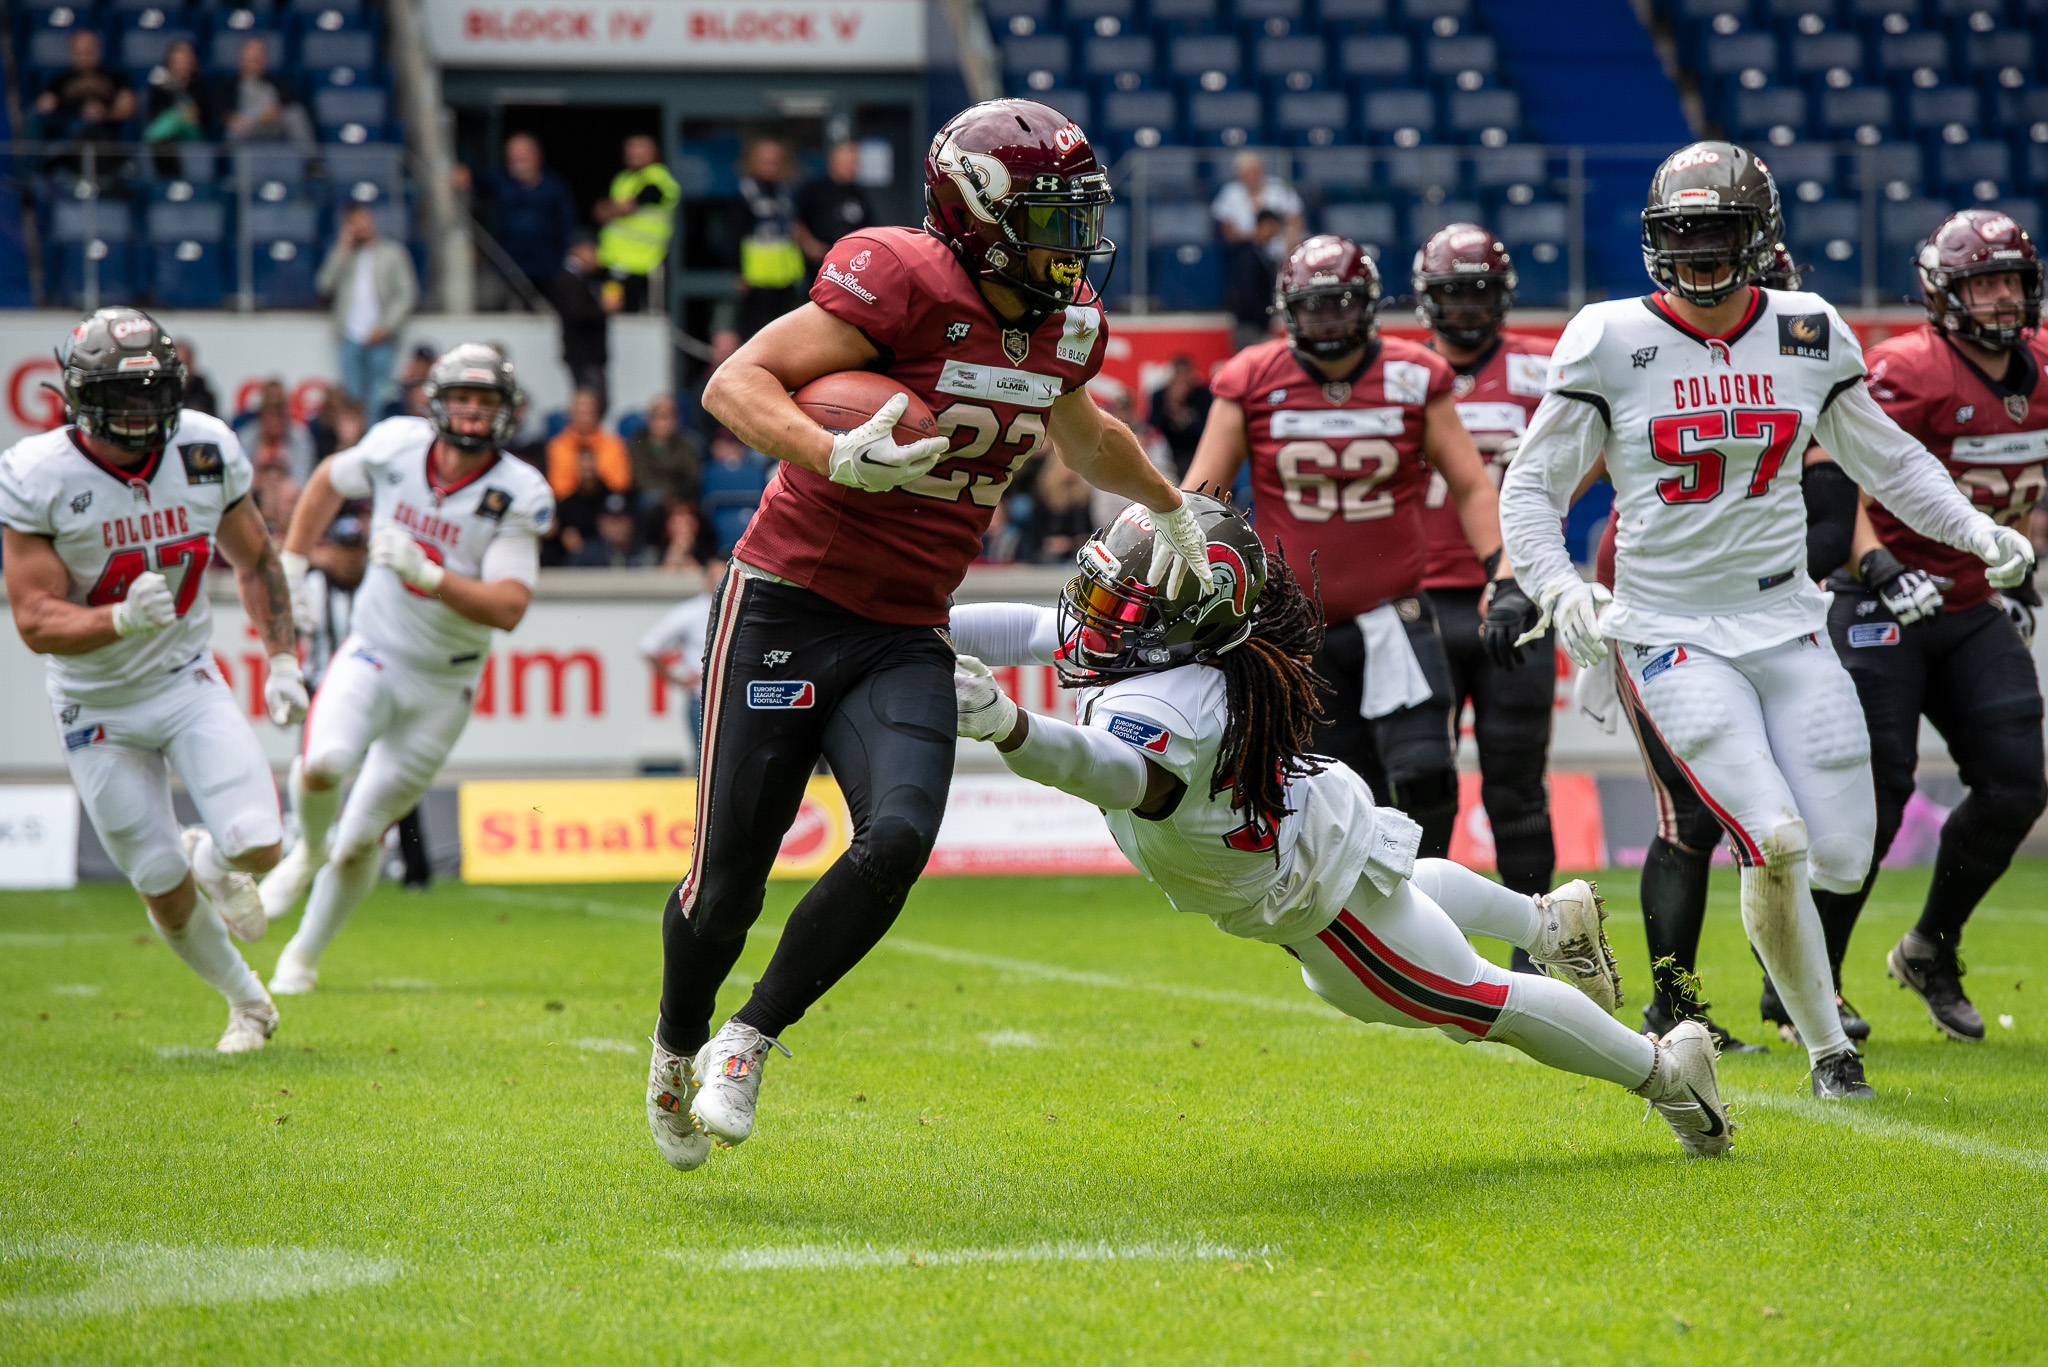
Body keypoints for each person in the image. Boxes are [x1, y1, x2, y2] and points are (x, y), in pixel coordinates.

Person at [645, 99, 1223, 1174]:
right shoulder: (900, 278)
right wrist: (832, 453)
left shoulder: (1061, 328)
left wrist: (1171, 504)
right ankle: (677, 1038)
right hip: (788, 600)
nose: (1070, 239)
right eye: (1048, 215)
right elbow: (736, 382)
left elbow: (1083, 432)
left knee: (898, 836)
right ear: (977, 214)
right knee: (726, 884)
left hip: (905, 622)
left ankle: (748, 1036)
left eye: (1073, 213)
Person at [945, 496, 1732, 1159]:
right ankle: (1545, 918)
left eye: (1121, 602)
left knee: (1476, 1000)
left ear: (1187, 618)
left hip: (1303, 884)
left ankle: (1668, 1071)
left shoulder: (1168, 702)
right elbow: (1025, 629)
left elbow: (1108, 771)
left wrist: (1009, 724)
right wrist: (918, 625)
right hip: (1309, 822)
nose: (1094, 613)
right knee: (1402, 895)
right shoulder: (1165, 648)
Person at [1497, 141, 2032, 1100]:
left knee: (1842, 851)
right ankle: (1832, 1052)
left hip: (1789, 621)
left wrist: (1974, 528)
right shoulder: (1610, 337)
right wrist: (1560, 585)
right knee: (1771, 840)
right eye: (1683, 235)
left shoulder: (1808, 330)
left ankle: (1803, 1004)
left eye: (1720, 234)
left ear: (1761, 237)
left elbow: (1891, 460)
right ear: (1657, 241)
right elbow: (1530, 486)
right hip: (1671, 630)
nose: (1701, 255)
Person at [0, 308, 309, 1054]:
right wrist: (116, 624)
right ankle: (249, 1004)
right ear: (78, 394)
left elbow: (257, 558)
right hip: (93, 699)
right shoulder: (38, 474)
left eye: (152, 393)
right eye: (121, 394)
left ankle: (215, 857)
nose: (141, 412)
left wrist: (282, 659)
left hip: (184, 676)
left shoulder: (206, 446)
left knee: (262, 843)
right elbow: (36, 618)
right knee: (162, 888)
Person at [1182, 235, 1541, 861]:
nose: (1328, 321)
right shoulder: (1251, 378)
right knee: (1337, 790)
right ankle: (1377, 940)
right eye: (1315, 307)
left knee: (1428, 773)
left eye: (1341, 305)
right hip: (1295, 628)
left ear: (1369, 306)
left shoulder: (1412, 376)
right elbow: (1199, 503)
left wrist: (1502, 574)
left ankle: (1429, 904)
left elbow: (1472, 487)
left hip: (1396, 615)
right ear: (1288, 311)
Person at [1585, 243, 1849, 1050]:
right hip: (1667, 622)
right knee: (1691, 817)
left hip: (1767, 623)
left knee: (1792, 812)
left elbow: (1837, 519)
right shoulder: (1655, 362)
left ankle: (1797, 988)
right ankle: (1678, 999)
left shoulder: (1803, 368)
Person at [1800, 209, 2048, 1043]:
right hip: (1884, 600)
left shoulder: (2044, 367)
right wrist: (1876, 564)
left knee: (2017, 780)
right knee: (1876, 794)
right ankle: (1809, 984)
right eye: (1984, 281)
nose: (2003, 295)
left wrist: (2023, 560)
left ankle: (1929, 948)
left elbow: (2021, 480)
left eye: (2012, 277)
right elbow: (1841, 470)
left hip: (1972, 602)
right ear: (1945, 293)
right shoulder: (1909, 368)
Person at [260, 345, 555, 990]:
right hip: (372, 648)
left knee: (363, 835)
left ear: (506, 412)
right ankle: (302, 850)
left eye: (487, 401)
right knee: (323, 765)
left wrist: (431, 574)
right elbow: (326, 483)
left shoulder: (518, 491)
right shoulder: (396, 446)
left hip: (444, 682)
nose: (473, 412)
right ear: (436, 402)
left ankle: (302, 957)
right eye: (463, 398)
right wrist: (292, 562)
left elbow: (509, 608)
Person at [1411, 223, 1560, 972]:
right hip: (1419, 602)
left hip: (1517, 596)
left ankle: (1535, 945)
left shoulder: (1543, 368)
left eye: (1479, 291)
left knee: (1516, 782)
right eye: (1453, 292)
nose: (1467, 308)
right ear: (1426, 301)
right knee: (1422, 780)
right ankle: (1414, 939)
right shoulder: (1398, 371)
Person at [317, 202, 418, 411]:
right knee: (352, 398)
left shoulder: (393, 253)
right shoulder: (344, 254)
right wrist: (342, 249)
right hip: (350, 336)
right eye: (354, 222)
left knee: (380, 396)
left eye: (364, 219)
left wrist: (386, 326)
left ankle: (376, 440)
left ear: (373, 220)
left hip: (382, 337)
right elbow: (324, 285)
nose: (361, 226)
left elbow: (406, 294)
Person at [639, 555, 727, 774]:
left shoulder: (746, 609)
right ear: (705, 579)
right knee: (708, 768)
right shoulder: (690, 612)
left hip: (737, 700)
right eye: (716, 576)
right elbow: (649, 646)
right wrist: (676, 678)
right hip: (703, 701)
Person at [484, 133, 578, 295]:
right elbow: (471, 177)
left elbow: (567, 222)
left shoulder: (553, 186)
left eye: (523, 153)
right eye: (513, 154)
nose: (519, 158)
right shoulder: (501, 180)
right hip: (508, 266)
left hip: (546, 266)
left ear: (537, 155)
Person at [732, 139, 808, 340]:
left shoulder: (786, 192)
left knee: (783, 336)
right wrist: (738, 272)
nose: (771, 166)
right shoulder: (746, 192)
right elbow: (734, 234)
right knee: (755, 336)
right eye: (766, 161)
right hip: (756, 279)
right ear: (754, 162)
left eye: (775, 161)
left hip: (785, 278)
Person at [595, 134, 679, 314]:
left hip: (643, 266)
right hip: (615, 263)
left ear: (654, 152)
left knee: (639, 318)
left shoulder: (659, 179)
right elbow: (599, 211)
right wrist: (615, 208)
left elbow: (627, 207)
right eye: (631, 148)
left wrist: (615, 208)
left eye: (641, 148)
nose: (635, 153)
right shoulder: (622, 179)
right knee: (611, 313)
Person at [34, 31, 135, 176]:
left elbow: (128, 107)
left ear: (98, 50)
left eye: (89, 51)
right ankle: (30, 175)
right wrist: (48, 106)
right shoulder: (61, 78)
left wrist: (104, 113)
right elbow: (42, 106)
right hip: (68, 125)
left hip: (103, 127)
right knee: (36, 119)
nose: (85, 56)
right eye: (80, 52)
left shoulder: (114, 75)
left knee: (89, 129)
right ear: (72, 53)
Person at [548, 236, 614, 407]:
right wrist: (603, 309)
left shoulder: (582, 278)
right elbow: (577, 313)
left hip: (585, 354)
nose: (597, 257)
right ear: (580, 250)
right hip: (584, 354)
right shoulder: (570, 279)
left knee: (595, 401)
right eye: (594, 251)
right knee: (592, 403)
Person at [794, 139, 877, 274]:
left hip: (851, 264)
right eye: (849, 161)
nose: (853, 166)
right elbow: (797, 221)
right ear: (834, 161)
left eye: (855, 162)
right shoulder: (814, 189)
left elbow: (870, 227)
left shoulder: (858, 193)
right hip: (820, 264)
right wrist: (810, 245)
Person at [216, 36, 312, 147]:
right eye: (251, 59)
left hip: (274, 124)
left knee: (295, 114)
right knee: (233, 131)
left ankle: (311, 161)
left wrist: (277, 109)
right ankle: (231, 164)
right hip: (247, 125)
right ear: (241, 60)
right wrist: (230, 117)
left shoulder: (278, 82)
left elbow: (295, 100)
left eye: (258, 58)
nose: (255, 62)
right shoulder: (229, 86)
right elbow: (219, 110)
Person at [1210, 151, 1304, 262]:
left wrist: (1290, 252)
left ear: (1261, 170)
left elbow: (1296, 220)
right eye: (1246, 173)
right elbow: (1230, 234)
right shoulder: (1229, 193)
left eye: (1253, 171)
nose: (1251, 177)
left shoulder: (1279, 188)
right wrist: (1260, 235)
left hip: (1283, 250)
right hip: (1246, 254)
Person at [544, 388, 631, 500]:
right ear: (570, 414)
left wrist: (587, 480)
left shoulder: (614, 444)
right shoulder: (557, 447)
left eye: (589, 412)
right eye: (580, 412)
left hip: (606, 506)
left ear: (598, 414)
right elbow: (558, 488)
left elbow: (621, 484)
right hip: (569, 507)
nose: (585, 418)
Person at [142, 40, 214, 171]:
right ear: (170, 62)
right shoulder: (160, 87)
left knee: (177, 118)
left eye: (185, 61)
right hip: (167, 132)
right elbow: (154, 114)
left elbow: (204, 116)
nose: (181, 65)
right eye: (177, 61)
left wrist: (190, 112)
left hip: (192, 132)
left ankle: (151, 139)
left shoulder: (199, 85)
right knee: (171, 118)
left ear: (192, 62)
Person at [696, 429, 766, 554]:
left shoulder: (755, 470)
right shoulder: (708, 471)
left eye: (733, 445)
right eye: (723, 445)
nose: (729, 450)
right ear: (714, 447)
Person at [628, 394, 702, 510]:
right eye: (658, 418)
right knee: (649, 500)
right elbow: (640, 478)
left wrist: (674, 493)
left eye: (667, 417)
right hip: (649, 496)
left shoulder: (687, 444)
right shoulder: (638, 444)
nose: (662, 423)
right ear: (649, 420)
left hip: (680, 496)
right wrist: (665, 494)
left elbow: (692, 476)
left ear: (676, 421)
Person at [1224, 210, 1286, 350]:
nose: (1275, 232)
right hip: (1249, 326)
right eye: (1273, 227)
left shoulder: (1261, 253)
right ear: (1263, 225)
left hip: (1256, 325)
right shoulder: (1248, 254)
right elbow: (1247, 291)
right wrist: (1261, 317)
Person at [234, 379, 315, 485]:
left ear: (287, 416)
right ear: (261, 415)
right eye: (270, 415)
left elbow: (302, 481)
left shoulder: (301, 437)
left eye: (279, 415)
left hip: (291, 498)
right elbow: (242, 481)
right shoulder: (246, 437)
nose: (275, 422)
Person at [1148, 355, 1212, 480]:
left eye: (1185, 374)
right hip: (1167, 454)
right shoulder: (1160, 396)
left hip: (1195, 452)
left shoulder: (1202, 395)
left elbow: (1207, 428)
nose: (1181, 380)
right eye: (1178, 374)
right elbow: (1153, 426)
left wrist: (1182, 414)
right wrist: (1171, 407)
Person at [567, 491, 657, 567]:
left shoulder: (645, 553)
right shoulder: (584, 555)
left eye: (621, 520)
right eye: (612, 521)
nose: (617, 527)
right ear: (600, 524)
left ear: (632, 523)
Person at [174, 340, 218, 418]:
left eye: (185, 364)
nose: (181, 370)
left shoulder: (205, 398)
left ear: (191, 364)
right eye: (177, 365)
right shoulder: (158, 395)